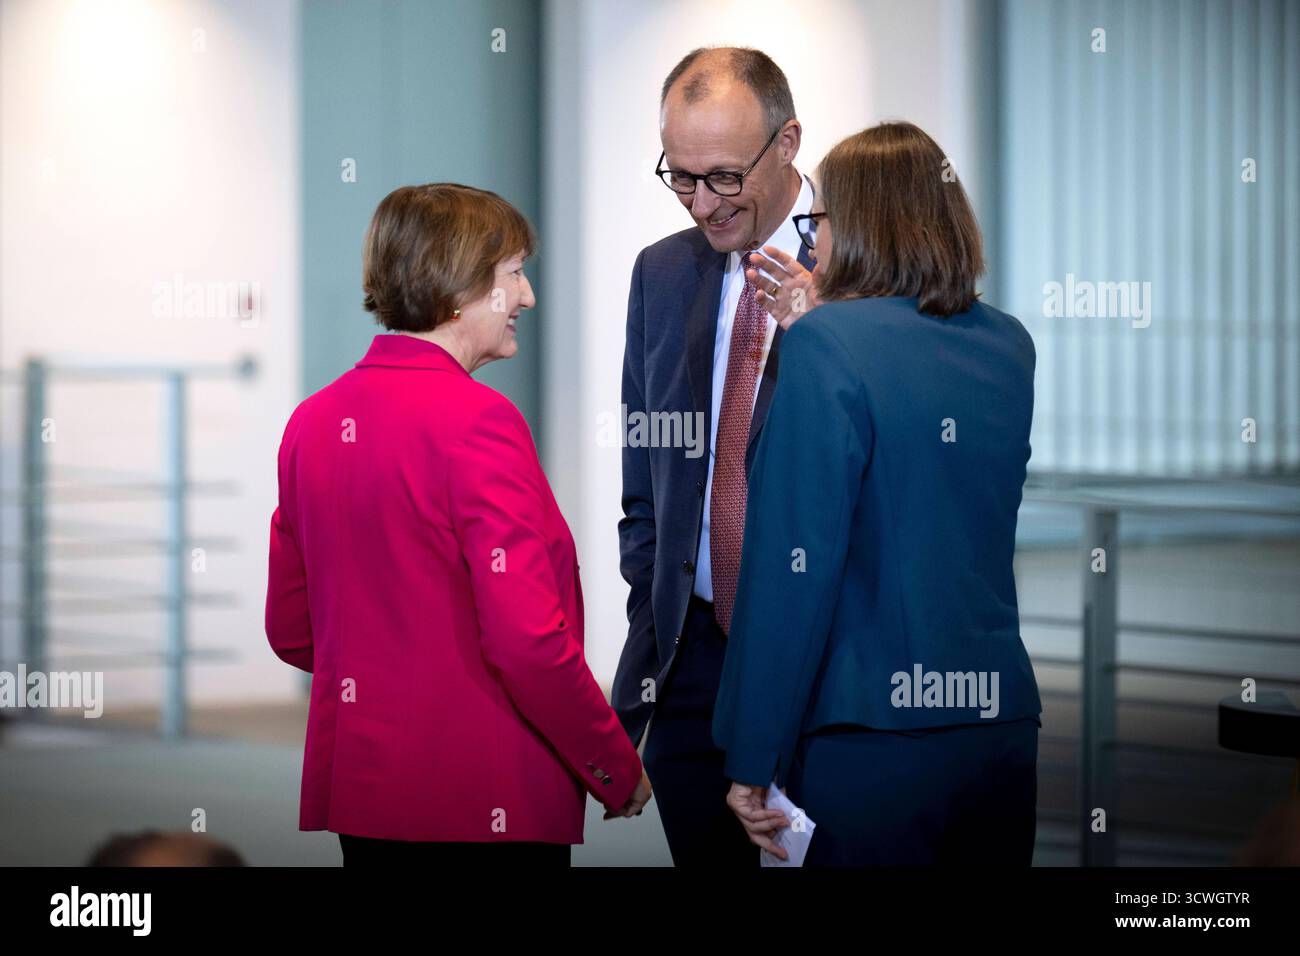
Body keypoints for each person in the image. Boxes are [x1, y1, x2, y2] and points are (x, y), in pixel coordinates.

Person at [266, 183, 650, 868]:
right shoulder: (479, 423)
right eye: (513, 274)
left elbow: (293, 630)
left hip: (368, 788)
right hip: (484, 793)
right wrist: (610, 761)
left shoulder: (311, 422)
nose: (528, 297)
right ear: (455, 288)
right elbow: (527, 640)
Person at [713, 122, 1044, 866]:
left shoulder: (829, 345)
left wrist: (752, 752)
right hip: (997, 725)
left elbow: (794, 568)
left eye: (819, 219)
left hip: (874, 738)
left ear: (861, 224)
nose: (813, 239)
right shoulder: (1009, 344)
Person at [611, 47, 817, 867]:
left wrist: (824, 328)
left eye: (726, 177)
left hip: (813, 659)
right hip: (692, 664)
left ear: (789, 141)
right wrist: (654, 610)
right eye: (682, 176)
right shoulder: (662, 273)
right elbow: (645, 472)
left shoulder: (866, 269)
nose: (702, 203)